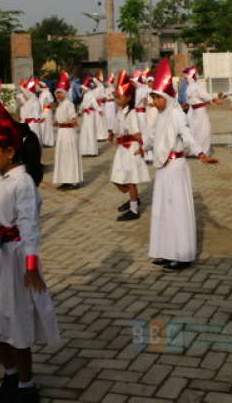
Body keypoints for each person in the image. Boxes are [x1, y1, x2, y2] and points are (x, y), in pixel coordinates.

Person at [0, 84, 60, 403]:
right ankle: (10, 373)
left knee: (16, 322)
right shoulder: (6, 179)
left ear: (9, 152)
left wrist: (32, 267)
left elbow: (29, 227)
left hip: (17, 261)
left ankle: (25, 385)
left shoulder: (22, 182)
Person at [147, 59, 218, 272]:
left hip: (176, 167)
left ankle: (182, 254)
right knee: (162, 210)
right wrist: (140, 146)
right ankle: (165, 251)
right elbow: (153, 137)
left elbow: (188, 137)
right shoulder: (160, 116)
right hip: (162, 169)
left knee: (176, 210)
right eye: (153, 97)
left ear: (167, 97)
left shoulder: (177, 114)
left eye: (157, 98)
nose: (155, 102)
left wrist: (201, 154)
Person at [108, 70, 150, 221]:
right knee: (117, 179)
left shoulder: (132, 114)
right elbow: (116, 126)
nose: (117, 99)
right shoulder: (120, 112)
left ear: (129, 97)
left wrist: (142, 148)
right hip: (121, 150)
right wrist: (112, 133)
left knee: (131, 180)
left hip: (131, 149)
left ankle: (134, 209)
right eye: (116, 97)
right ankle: (134, 198)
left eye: (120, 97)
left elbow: (138, 134)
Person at [52, 72, 82, 190]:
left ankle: (73, 181)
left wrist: (63, 123)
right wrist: (57, 123)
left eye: (60, 92)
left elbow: (74, 121)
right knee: (63, 156)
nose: (58, 95)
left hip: (68, 134)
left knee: (69, 156)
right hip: (61, 134)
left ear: (65, 93)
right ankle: (65, 179)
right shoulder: (60, 105)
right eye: (56, 92)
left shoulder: (69, 104)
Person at [182, 66, 215, 155]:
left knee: (203, 131)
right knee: (195, 130)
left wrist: (212, 100)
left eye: (185, 77)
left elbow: (206, 96)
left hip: (200, 111)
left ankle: (203, 150)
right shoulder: (189, 87)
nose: (184, 79)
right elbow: (190, 100)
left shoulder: (196, 86)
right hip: (193, 111)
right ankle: (196, 150)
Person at [78, 76, 99, 157]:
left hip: (90, 114)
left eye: (83, 88)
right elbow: (82, 105)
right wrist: (80, 111)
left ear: (87, 88)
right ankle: (85, 150)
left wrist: (99, 110)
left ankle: (92, 151)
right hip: (86, 115)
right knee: (85, 131)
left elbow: (95, 104)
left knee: (91, 130)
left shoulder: (91, 95)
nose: (82, 90)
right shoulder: (85, 95)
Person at [38, 81, 56, 148]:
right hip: (43, 112)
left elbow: (50, 103)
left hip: (46, 113)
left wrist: (44, 112)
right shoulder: (42, 94)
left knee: (47, 127)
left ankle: (48, 142)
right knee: (43, 127)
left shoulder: (47, 93)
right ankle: (44, 141)